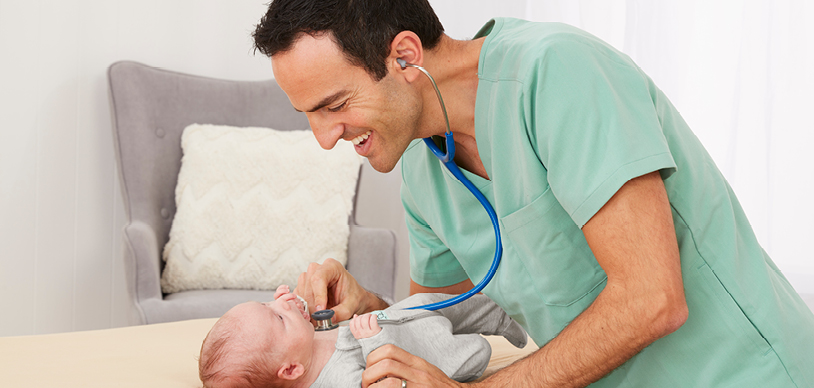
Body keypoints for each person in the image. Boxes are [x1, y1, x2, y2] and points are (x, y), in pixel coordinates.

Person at [251, 1, 814, 387]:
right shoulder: (422, 170)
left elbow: (653, 301)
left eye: (334, 106)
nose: (324, 138)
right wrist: (369, 310)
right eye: (310, 116)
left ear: (403, 57)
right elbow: (442, 318)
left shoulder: (558, 73)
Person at [198, 285, 527, 388]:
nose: (280, 300)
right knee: (474, 351)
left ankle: (503, 319)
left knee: (446, 303)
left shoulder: (304, 348)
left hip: (405, 316)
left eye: (267, 302)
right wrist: (374, 344)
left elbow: (330, 332)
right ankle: (491, 336)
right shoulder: (336, 380)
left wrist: (293, 309)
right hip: (428, 353)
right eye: (278, 316)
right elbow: (383, 383)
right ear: (291, 370)